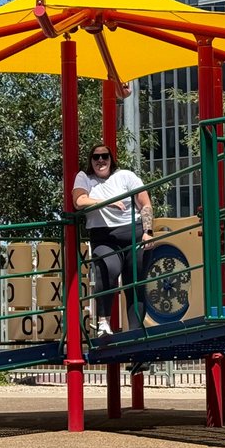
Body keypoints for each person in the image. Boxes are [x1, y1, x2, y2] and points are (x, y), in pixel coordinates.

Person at [72, 143, 153, 336]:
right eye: (96, 157)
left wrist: (148, 231)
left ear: (111, 159)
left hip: (134, 233)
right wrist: (107, 203)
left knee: (135, 282)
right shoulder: (85, 178)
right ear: (91, 161)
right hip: (104, 236)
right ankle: (103, 323)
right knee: (107, 268)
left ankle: (135, 333)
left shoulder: (125, 176)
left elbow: (145, 203)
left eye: (105, 156)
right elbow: (79, 201)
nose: (101, 160)